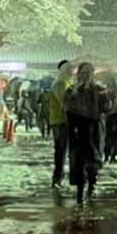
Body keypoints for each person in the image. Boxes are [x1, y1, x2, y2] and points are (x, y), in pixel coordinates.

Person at [64, 61, 105, 205]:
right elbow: (67, 109)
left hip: (94, 130)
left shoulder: (99, 90)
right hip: (78, 130)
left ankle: (92, 185)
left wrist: (106, 98)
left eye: (89, 72)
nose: (86, 75)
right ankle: (80, 191)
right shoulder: (72, 90)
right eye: (83, 72)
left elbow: (106, 108)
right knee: (79, 161)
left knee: (93, 159)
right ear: (79, 74)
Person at [48, 60, 73, 188]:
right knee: (61, 150)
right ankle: (57, 177)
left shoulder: (66, 81)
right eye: (70, 68)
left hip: (62, 120)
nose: (72, 70)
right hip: (60, 121)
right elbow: (65, 103)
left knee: (62, 149)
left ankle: (59, 177)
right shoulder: (61, 83)